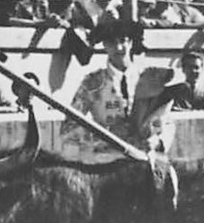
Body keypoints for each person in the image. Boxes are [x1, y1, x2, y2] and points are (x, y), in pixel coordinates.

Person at [64, 20, 162, 160]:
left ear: (131, 43)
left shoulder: (148, 78)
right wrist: (100, 139)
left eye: (123, 40)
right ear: (104, 46)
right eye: (111, 43)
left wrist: (157, 140)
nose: (119, 47)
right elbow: (69, 127)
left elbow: (167, 121)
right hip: (107, 163)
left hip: (144, 160)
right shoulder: (92, 82)